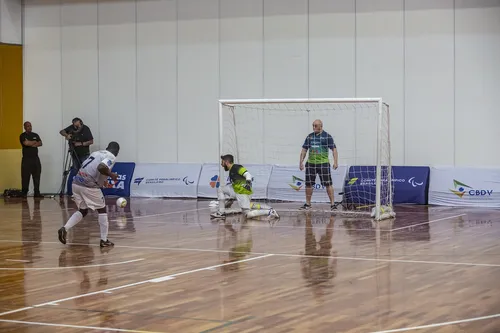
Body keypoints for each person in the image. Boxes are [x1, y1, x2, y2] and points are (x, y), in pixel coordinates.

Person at [57, 141, 120, 248]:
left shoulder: (96, 153)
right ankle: (104, 240)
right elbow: (101, 167)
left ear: (107, 147)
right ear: (117, 152)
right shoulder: (111, 156)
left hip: (76, 181)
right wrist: (111, 174)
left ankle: (64, 228)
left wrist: (103, 181)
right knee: (102, 209)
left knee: (83, 210)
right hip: (87, 183)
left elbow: (93, 168)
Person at [210, 154, 280, 220]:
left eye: (222, 162)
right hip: (236, 190)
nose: (221, 164)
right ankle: (221, 212)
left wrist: (248, 183)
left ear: (226, 162)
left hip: (242, 193)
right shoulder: (231, 169)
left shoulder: (237, 167)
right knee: (221, 189)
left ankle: (270, 212)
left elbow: (248, 174)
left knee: (248, 215)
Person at [299, 119, 338, 211]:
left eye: (315, 126)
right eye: (313, 125)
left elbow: (334, 150)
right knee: (308, 184)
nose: (314, 127)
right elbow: (304, 150)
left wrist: (335, 162)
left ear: (321, 126)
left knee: (328, 184)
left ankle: (332, 204)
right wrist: (301, 162)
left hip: (323, 164)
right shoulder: (309, 137)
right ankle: (308, 204)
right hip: (311, 164)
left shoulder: (327, 136)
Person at [19, 121, 43, 198]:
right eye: (28, 126)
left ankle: (37, 192)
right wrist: (34, 142)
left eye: (30, 126)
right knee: (25, 177)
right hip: (26, 159)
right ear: (24, 127)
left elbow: (40, 143)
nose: (30, 127)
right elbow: (26, 143)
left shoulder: (35, 135)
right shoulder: (22, 135)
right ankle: (24, 192)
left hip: (35, 159)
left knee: (37, 176)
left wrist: (31, 143)